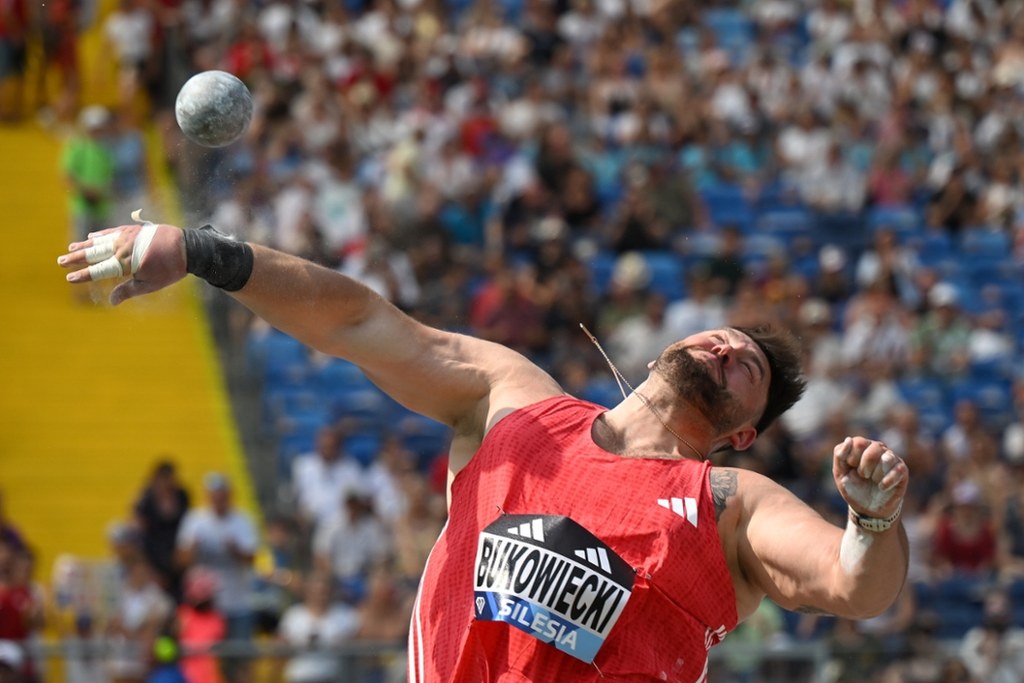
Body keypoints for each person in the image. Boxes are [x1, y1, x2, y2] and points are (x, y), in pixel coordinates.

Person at [58, 222, 911, 681]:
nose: (727, 348)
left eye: (747, 366)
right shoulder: (516, 401)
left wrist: (873, 520)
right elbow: (359, 322)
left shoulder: (728, 501)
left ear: (742, 432)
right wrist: (201, 252)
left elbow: (853, 585)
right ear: (665, 348)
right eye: (720, 336)